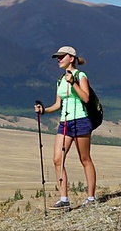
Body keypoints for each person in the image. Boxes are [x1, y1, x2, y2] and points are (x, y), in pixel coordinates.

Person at [34, 46, 97, 209]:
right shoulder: (60, 80)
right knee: (57, 160)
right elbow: (58, 104)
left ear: (71, 58)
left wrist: (74, 83)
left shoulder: (80, 75)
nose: (58, 59)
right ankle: (64, 198)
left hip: (81, 120)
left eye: (61, 56)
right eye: (57, 57)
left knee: (84, 159)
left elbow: (86, 98)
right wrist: (44, 110)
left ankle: (91, 198)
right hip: (65, 122)